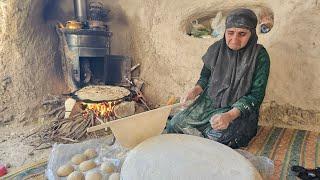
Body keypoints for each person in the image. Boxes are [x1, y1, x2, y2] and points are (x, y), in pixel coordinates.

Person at [166, 8, 270, 149]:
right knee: (175, 124)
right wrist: (195, 91)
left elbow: (256, 95)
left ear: (251, 34)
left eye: (242, 34)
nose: (234, 39)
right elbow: (205, 77)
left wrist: (229, 116)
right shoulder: (216, 49)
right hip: (210, 103)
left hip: (237, 109)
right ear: (225, 32)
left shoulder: (259, 55)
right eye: (230, 33)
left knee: (219, 138)